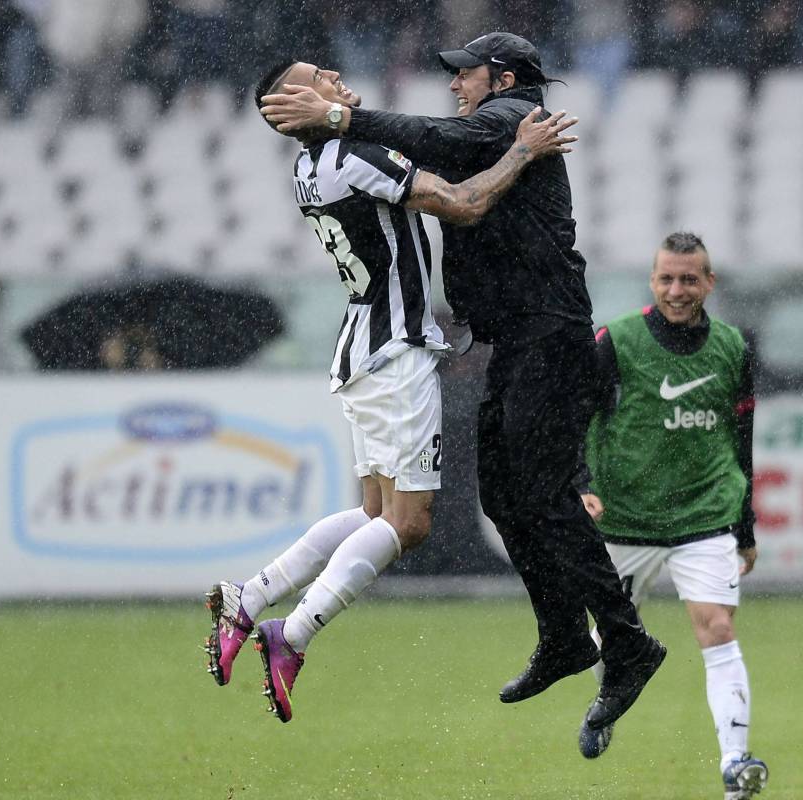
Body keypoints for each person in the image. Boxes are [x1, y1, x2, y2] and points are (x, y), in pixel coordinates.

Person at [260, 31, 667, 743]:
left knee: (539, 494)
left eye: (464, 75)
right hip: (516, 339)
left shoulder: (513, 120)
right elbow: (424, 151)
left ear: (501, 78)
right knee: (503, 493)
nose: (455, 85)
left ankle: (626, 642)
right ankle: (567, 637)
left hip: (548, 333)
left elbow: (428, 138)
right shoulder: (496, 129)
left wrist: (339, 119)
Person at [204, 57, 580, 724]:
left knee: (377, 514)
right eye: (316, 76)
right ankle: (292, 635)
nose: (332, 74)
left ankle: (250, 594)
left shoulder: (309, 167)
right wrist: (522, 150)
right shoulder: (353, 155)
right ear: (295, 102)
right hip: (395, 350)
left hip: (362, 347)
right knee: (409, 524)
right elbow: (463, 204)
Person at [576, 232, 768, 800]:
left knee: (718, 628)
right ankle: (609, 701)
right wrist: (578, 483)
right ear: (652, 281)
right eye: (667, 278)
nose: (677, 290)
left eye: (689, 279)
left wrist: (746, 523)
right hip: (627, 520)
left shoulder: (733, 347)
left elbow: (743, 437)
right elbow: (575, 412)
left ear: (710, 282)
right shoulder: (616, 341)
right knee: (608, 642)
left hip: (705, 515)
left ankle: (735, 765)